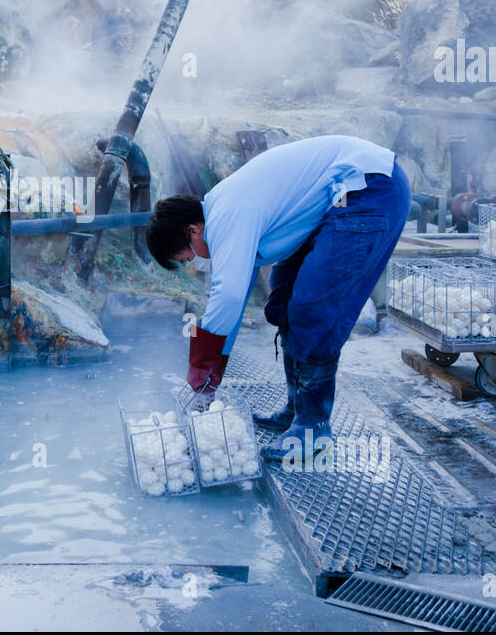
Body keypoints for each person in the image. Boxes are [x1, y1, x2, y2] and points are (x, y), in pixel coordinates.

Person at [146, 134, 411, 464]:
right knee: (283, 298)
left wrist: (200, 370)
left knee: (313, 307)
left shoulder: (227, 214)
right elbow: (232, 299)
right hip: (339, 201)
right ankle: (296, 410)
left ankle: (312, 429)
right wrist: (211, 377)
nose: (194, 265)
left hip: (365, 188)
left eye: (186, 258)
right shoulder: (223, 217)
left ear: (193, 231)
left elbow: (226, 298)